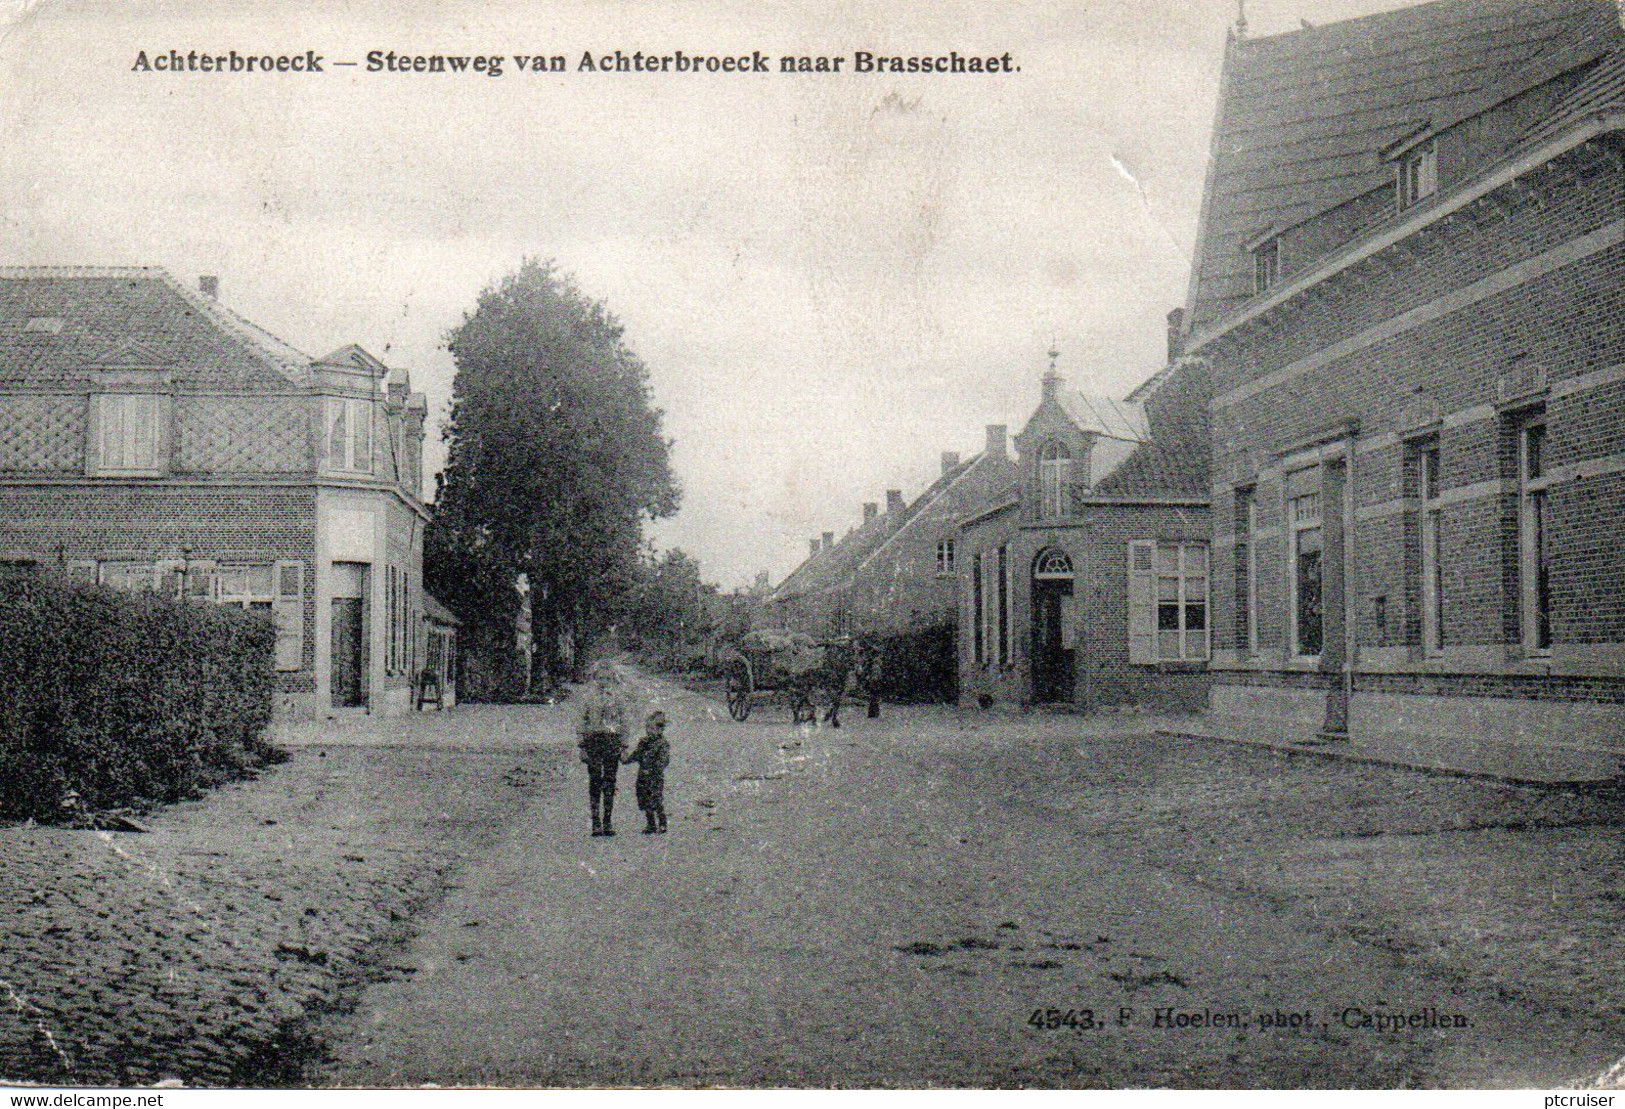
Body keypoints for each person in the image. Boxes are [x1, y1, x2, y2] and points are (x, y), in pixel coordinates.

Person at [578, 666, 628, 836]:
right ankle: (595, 823)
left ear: (612, 680)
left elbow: (624, 723)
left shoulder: (618, 699)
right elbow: (582, 722)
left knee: (610, 781)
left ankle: (607, 821)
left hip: (611, 741)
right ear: (594, 679)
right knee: (594, 780)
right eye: (600, 678)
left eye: (607, 679)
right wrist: (581, 746)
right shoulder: (588, 699)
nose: (603, 682)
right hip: (593, 741)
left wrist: (624, 746)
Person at [623, 710, 670, 834]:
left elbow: (663, 761)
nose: (649, 731)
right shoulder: (643, 742)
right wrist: (626, 759)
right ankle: (651, 824)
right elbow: (636, 754)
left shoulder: (662, 744)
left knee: (656, 799)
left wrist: (654, 769)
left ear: (660, 730)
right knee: (644, 799)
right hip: (643, 775)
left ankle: (662, 822)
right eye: (647, 728)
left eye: (652, 728)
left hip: (655, 777)